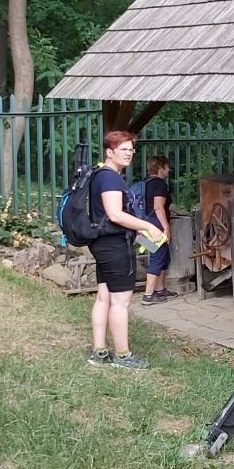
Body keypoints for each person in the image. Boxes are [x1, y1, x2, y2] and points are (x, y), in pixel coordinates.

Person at [88, 130, 165, 369]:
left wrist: (140, 230)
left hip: (103, 243)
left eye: (131, 149)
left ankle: (99, 352)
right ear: (109, 152)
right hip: (114, 246)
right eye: (123, 149)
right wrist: (147, 226)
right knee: (120, 302)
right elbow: (114, 214)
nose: (129, 154)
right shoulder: (110, 178)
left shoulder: (100, 175)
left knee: (104, 297)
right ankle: (122, 356)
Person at [138, 155, 176, 305]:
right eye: (167, 167)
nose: (169, 170)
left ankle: (160, 290)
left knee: (163, 256)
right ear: (160, 168)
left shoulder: (145, 182)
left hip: (143, 224)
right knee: (157, 257)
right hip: (155, 226)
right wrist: (166, 227)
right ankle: (148, 295)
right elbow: (158, 207)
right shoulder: (159, 184)